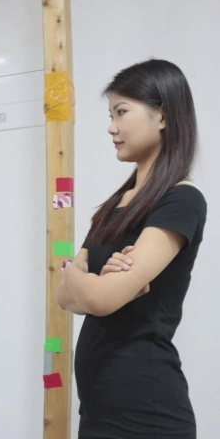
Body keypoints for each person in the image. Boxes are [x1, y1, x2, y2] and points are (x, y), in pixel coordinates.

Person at [56, 59, 206, 439]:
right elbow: (64, 297)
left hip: (146, 413)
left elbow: (99, 299)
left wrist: (77, 273)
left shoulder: (181, 200)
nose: (112, 127)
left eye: (121, 112)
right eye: (111, 115)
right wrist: (88, 282)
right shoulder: (116, 203)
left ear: (163, 115)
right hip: (98, 409)